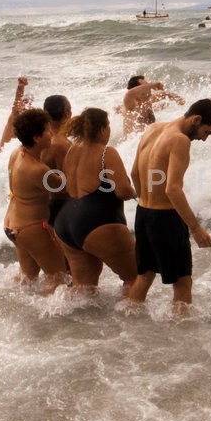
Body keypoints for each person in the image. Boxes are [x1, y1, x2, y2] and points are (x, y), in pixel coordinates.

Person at [126, 99, 211, 314]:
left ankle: (130, 321)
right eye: (206, 132)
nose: (204, 139)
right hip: (166, 219)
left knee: (144, 276)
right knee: (182, 282)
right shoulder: (180, 140)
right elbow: (173, 189)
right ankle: (183, 336)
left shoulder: (153, 128)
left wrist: (147, 204)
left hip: (143, 214)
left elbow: (134, 173)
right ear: (196, 119)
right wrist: (196, 229)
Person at [53, 108, 137, 294]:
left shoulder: (72, 151)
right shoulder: (107, 153)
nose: (109, 130)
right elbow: (122, 191)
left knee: (83, 289)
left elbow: (69, 187)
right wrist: (136, 192)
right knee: (135, 278)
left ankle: (68, 322)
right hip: (97, 221)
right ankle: (134, 321)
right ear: (101, 129)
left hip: (66, 223)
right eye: (108, 126)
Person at [4, 108, 67, 292]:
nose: (51, 134)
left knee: (28, 278)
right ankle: (47, 319)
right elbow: (66, 187)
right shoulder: (37, 170)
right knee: (57, 279)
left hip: (12, 225)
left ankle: (24, 313)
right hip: (30, 228)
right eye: (48, 130)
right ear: (37, 137)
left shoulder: (18, 153)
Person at [41, 94, 73, 225]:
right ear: (67, 113)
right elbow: (65, 185)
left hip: (47, 203)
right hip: (61, 205)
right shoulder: (60, 144)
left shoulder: (41, 139)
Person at [0, 76, 32, 150]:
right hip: (2, 154)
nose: (27, 105)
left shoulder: (26, 121)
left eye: (29, 103)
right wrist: (21, 86)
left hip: (3, 156)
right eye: (25, 102)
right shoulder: (15, 115)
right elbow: (17, 101)